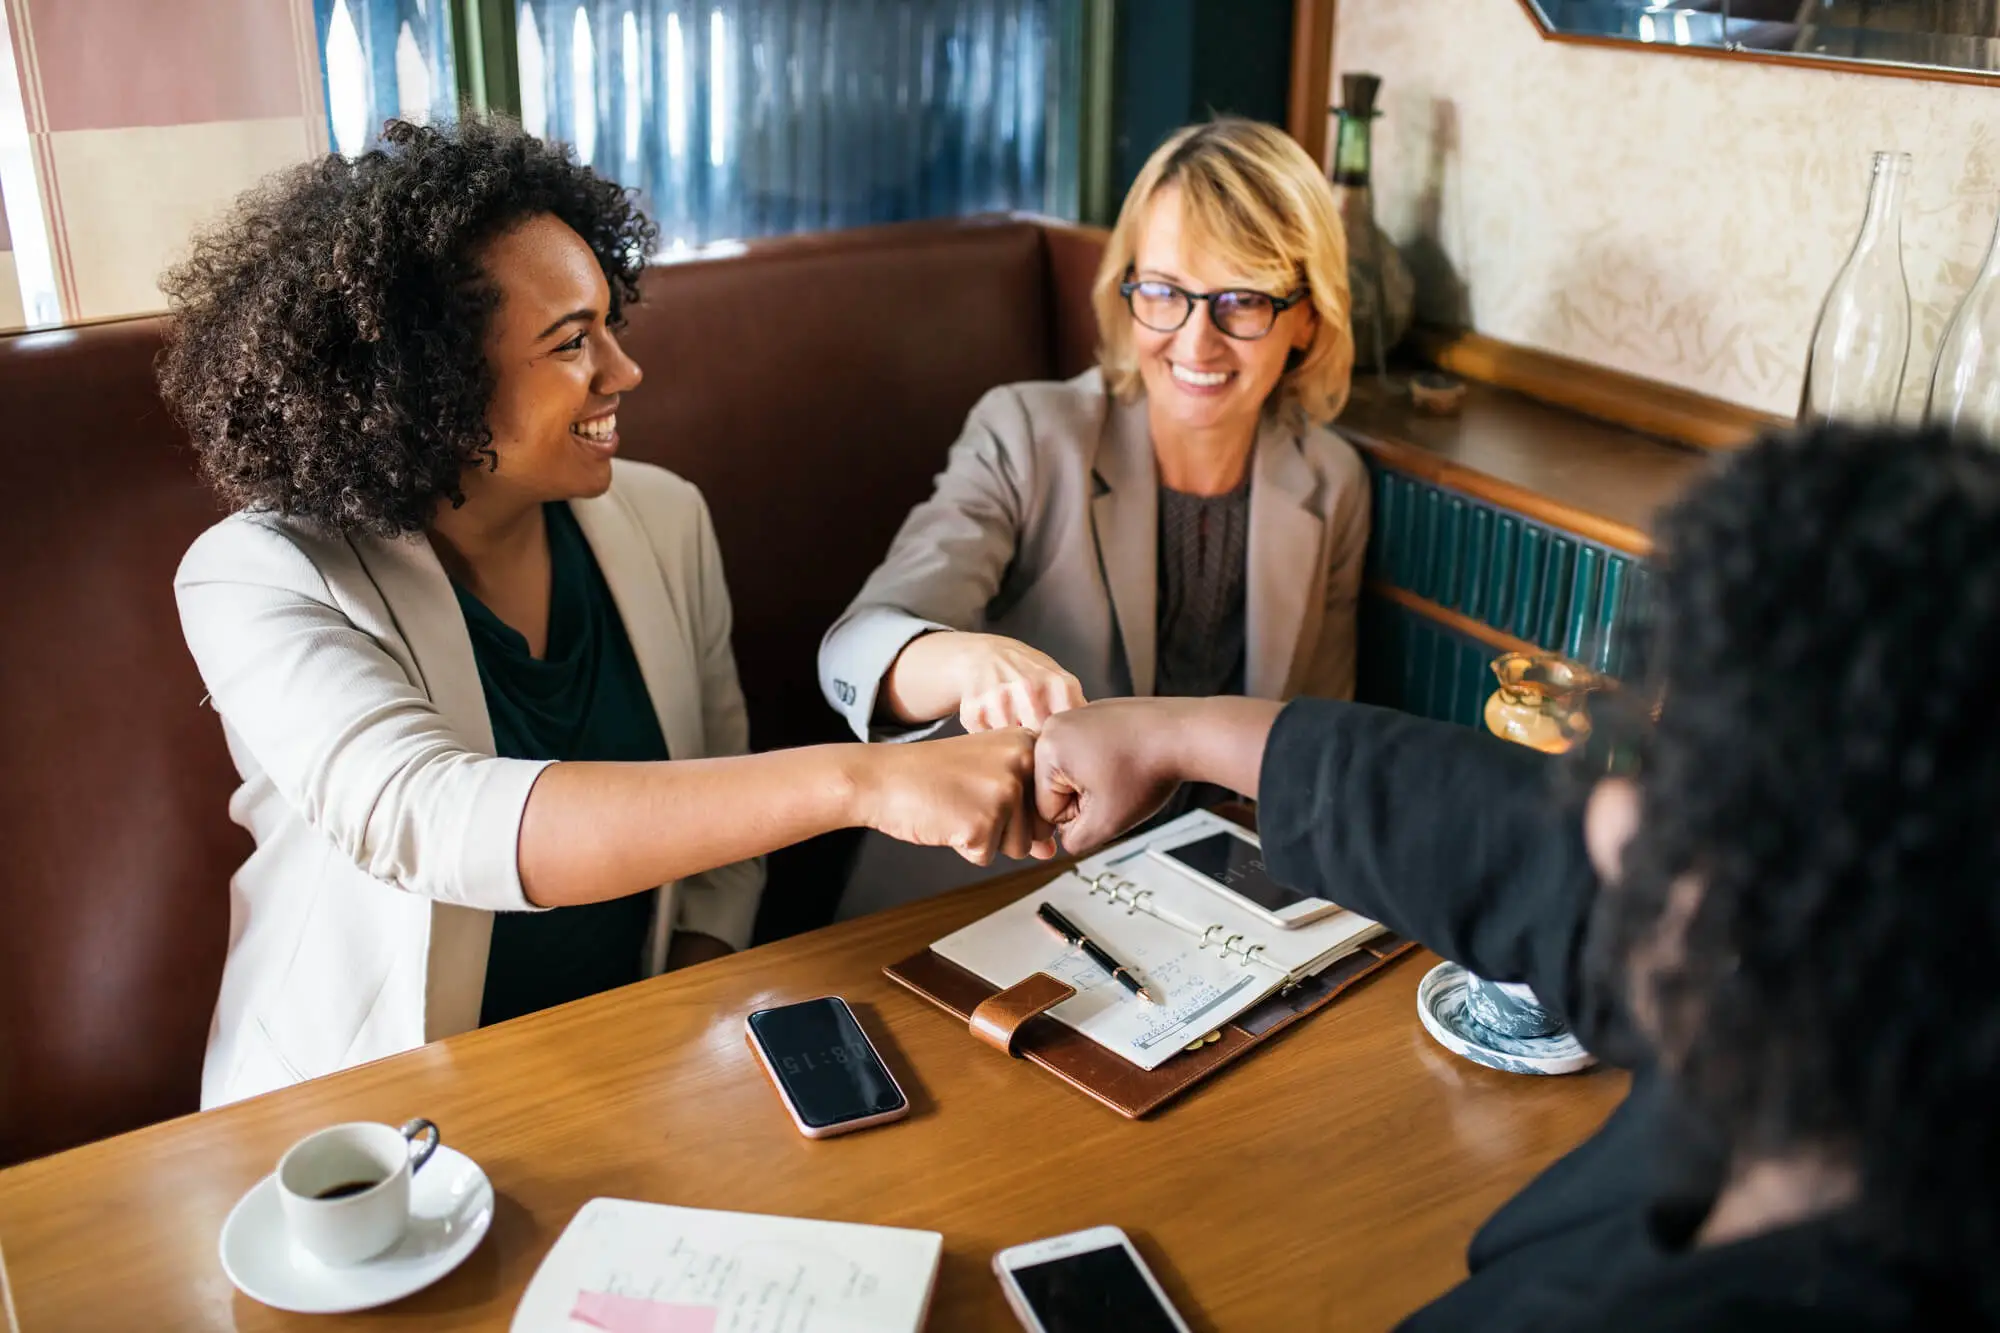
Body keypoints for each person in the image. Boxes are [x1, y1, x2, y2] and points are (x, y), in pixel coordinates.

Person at [160, 119, 1050, 1109]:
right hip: (364, 1119)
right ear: (432, 386)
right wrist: (868, 780)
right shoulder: (258, 573)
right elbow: (426, 816)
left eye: (609, 324)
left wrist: (677, 1022)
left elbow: (723, 830)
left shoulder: (663, 517)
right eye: (571, 342)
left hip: (633, 1067)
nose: (622, 371)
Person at [1031, 423, 2000, 1329]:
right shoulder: (1845, 1031)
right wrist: (1174, 732)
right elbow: (1508, 836)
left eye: (1674, 779)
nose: (1613, 821)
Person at [818, 117, 1364, 914]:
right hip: (977, 902)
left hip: (1202, 912)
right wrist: (966, 660)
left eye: (1241, 300)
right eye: (1166, 292)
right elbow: (859, 649)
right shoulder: (1027, 433)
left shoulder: (1334, 482)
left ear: (1308, 316)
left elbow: (1313, 748)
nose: (1196, 341)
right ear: (1129, 288)